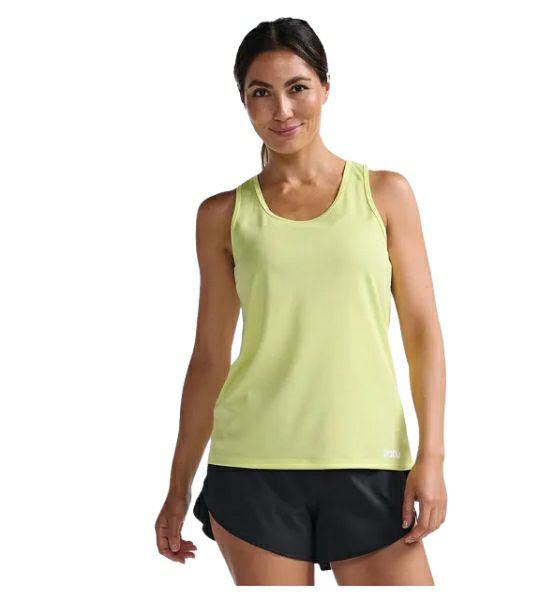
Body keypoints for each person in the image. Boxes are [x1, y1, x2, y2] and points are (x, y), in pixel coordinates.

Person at [155, 17, 446, 586]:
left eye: (297, 87)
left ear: (326, 88)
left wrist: (431, 457)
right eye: (261, 93)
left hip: (371, 461)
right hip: (253, 467)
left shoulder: (385, 195)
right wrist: (177, 486)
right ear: (244, 102)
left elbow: (422, 334)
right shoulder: (222, 216)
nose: (282, 110)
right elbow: (210, 357)